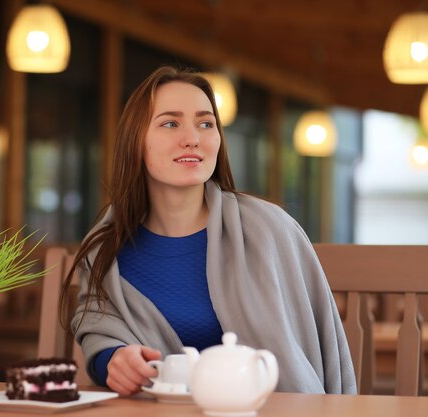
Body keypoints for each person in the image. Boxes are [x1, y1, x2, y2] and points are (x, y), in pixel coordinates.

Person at [59, 65, 356, 396]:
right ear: (135, 141)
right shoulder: (107, 248)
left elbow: (325, 352)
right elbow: (98, 330)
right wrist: (114, 360)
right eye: (171, 123)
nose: (193, 139)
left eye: (205, 124)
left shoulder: (271, 230)